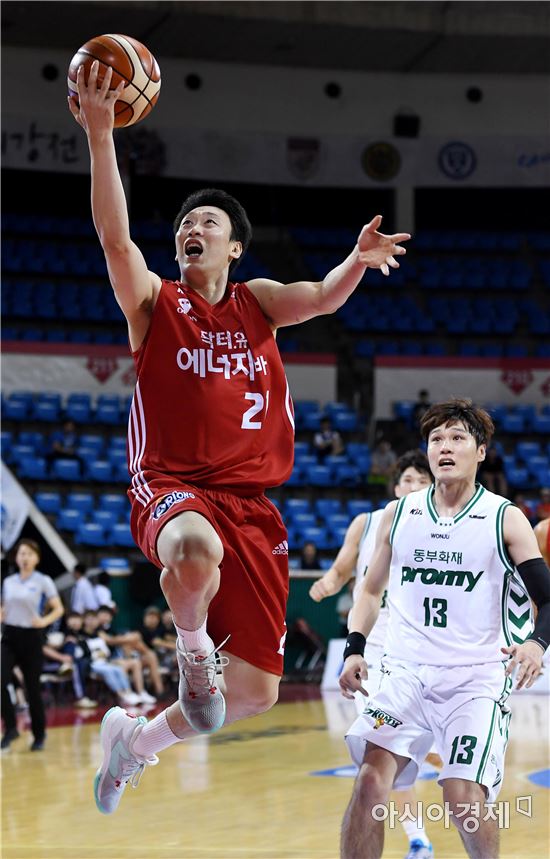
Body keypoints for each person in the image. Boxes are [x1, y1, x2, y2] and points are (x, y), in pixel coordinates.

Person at [68, 60, 410, 815]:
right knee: (193, 551)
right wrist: (100, 138)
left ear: (234, 250)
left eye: (209, 225)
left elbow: (320, 297)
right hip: (171, 483)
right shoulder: (156, 303)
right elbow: (115, 236)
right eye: (186, 224)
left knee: (250, 695)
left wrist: (354, 260)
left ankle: (134, 742)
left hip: (252, 503)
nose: (192, 229)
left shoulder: (258, 303)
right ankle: (193, 659)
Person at [339, 398, 549, 859]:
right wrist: (355, 647)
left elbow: (548, 597)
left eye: (457, 438)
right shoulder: (399, 514)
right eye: (436, 439)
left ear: (480, 451)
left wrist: (536, 643)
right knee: (372, 781)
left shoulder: (503, 517)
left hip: (474, 678)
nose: (445, 447)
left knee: (461, 799)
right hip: (405, 673)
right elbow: (370, 592)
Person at [310, 450, 434, 859]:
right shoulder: (368, 523)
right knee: (385, 748)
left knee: (390, 749)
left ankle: (419, 835)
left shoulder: (437, 524)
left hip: (416, 647)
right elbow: (344, 568)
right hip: (369, 647)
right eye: (407, 480)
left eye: (421, 481)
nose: (413, 487)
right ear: (395, 487)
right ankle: (418, 838)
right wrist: (327, 585)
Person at [1, 539, 64, 750]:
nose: (24, 557)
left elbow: (58, 609)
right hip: (10, 635)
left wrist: (44, 622)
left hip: (32, 638)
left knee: (32, 688)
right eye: (21, 554)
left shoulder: (43, 580)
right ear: (16, 558)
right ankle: (11, 729)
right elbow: (5, 608)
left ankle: (39, 735)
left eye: (28, 554)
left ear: (36, 558)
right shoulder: (9, 582)